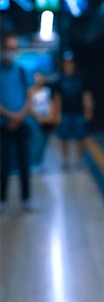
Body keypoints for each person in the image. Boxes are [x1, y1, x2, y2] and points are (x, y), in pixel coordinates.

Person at [0, 32, 33, 211]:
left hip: (22, 123)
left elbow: (29, 97)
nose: (11, 52)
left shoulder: (22, 71)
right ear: (3, 49)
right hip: (3, 125)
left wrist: (20, 116)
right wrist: (10, 116)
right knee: (3, 163)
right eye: (8, 48)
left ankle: (26, 199)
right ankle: (2, 199)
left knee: (23, 163)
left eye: (14, 48)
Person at [54, 51, 94, 170]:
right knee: (64, 137)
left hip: (79, 112)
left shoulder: (81, 77)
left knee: (80, 137)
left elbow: (86, 94)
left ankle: (80, 160)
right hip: (65, 112)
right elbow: (57, 98)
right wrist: (56, 114)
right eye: (66, 63)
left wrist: (88, 110)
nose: (68, 65)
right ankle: (65, 160)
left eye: (70, 62)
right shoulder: (60, 79)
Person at [27, 72, 58, 171]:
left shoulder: (47, 91)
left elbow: (52, 103)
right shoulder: (30, 91)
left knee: (44, 141)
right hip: (35, 118)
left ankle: (40, 162)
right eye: (36, 78)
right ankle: (33, 163)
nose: (38, 80)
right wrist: (39, 117)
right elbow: (29, 107)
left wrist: (51, 116)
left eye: (40, 78)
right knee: (36, 141)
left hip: (47, 118)